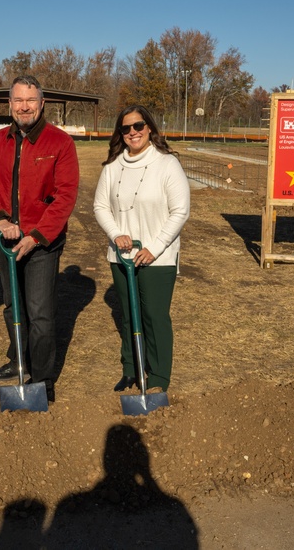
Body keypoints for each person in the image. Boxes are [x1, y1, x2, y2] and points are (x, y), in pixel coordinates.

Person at [0, 75, 79, 403]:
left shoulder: (59, 143)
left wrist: (36, 236)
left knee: (40, 312)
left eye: (30, 100)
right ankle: (19, 359)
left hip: (42, 243)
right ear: (9, 104)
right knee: (12, 305)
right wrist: (0, 220)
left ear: (42, 103)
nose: (24, 107)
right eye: (18, 100)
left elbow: (65, 196)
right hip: (6, 239)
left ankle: (42, 380)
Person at [93, 105, 189, 393]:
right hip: (121, 256)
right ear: (120, 133)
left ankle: (158, 377)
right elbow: (100, 206)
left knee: (154, 316)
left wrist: (155, 247)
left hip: (156, 258)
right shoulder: (112, 166)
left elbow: (180, 211)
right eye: (126, 128)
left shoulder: (167, 164)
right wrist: (115, 233)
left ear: (149, 128)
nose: (132, 132)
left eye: (138, 126)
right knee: (128, 314)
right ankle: (131, 369)